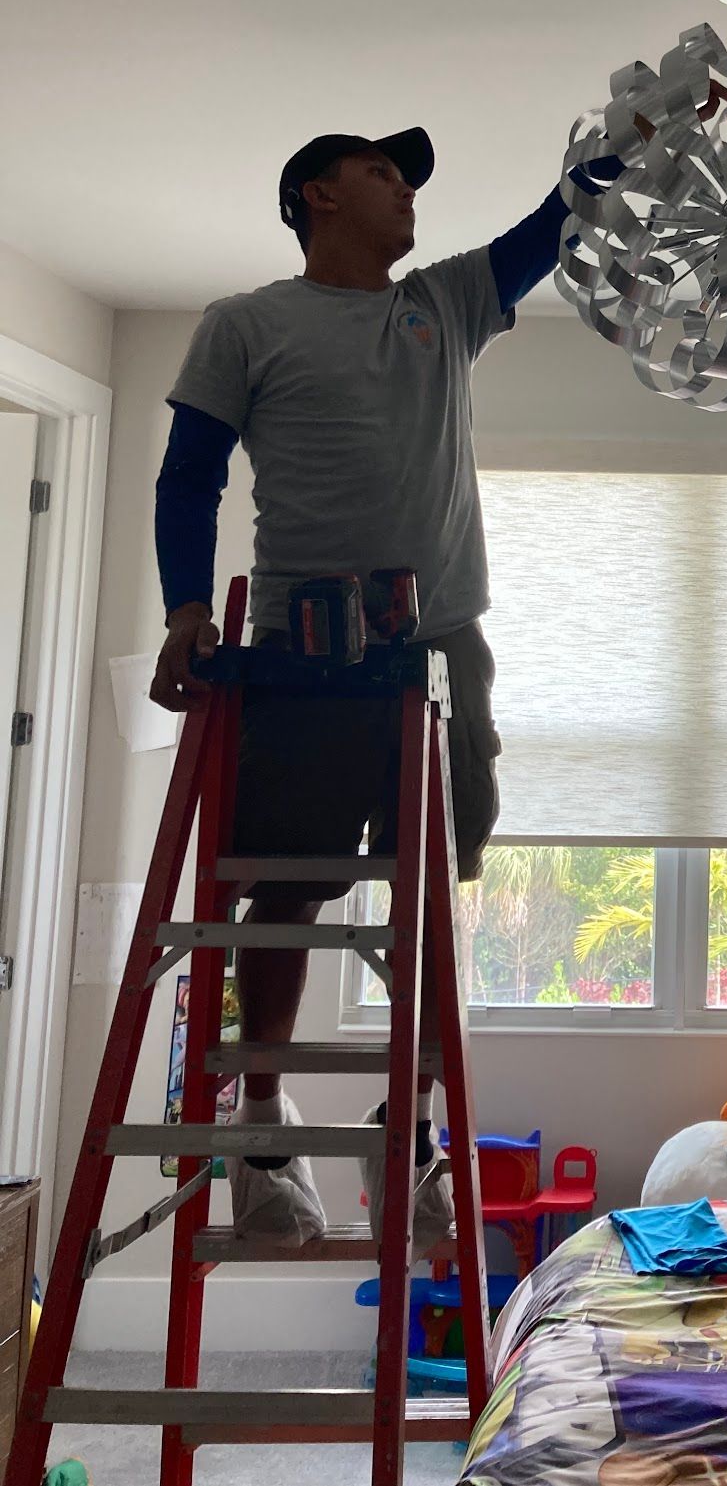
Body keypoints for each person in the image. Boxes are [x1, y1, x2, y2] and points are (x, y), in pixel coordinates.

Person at [150, 124, 620, 1248]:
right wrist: (181, 607)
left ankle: (408, 1140)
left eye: (409, 176)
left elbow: (546, 230)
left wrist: (628, 148)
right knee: (289, 888)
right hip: (301, 648)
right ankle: (263, 1131)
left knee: (426, 899)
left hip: (441, 648)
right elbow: (189, 475)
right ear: (311, 192)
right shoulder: (247, 322)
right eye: (378, 171)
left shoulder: (444, 304)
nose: (404, 188)